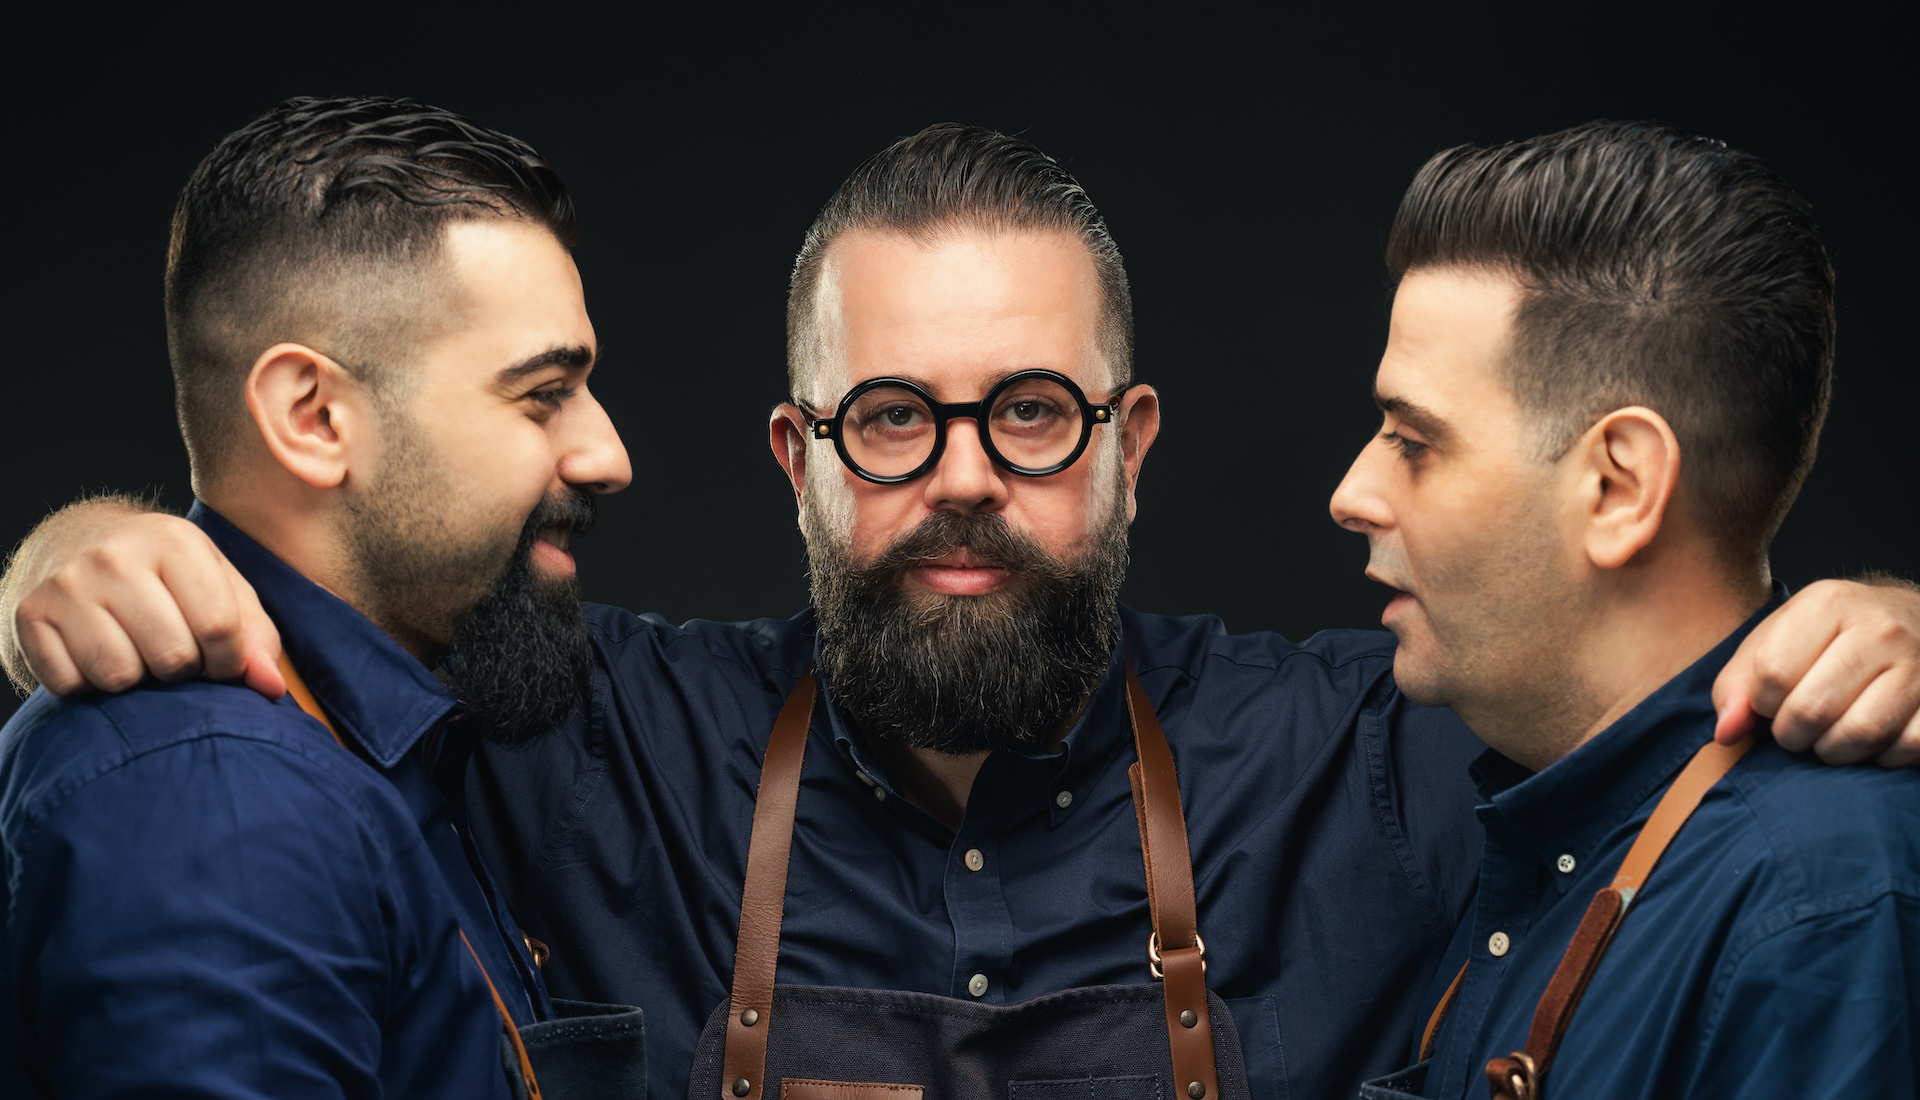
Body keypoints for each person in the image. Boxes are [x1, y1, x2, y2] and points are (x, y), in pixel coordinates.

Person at [6, 124, 1919, 1099]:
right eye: (891, 419)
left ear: (1132, 445)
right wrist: (79, 549)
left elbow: (1645, 716)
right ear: (797, 458)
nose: (965, 478)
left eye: (1034, 412)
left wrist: (1898, 629)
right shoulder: (586, 742)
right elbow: (339, 615)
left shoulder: (1375, 754)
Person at [0, 96, 643, 1098]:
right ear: (313, 417)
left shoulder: (399, 722)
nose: (609, 456)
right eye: (542, 394)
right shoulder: (223, 800)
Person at [1331, 121, 1918, 1098]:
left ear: (1617, 486)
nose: (1351, 494)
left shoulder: (1821, 905)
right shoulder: (1549, 836)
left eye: (1415, 441)